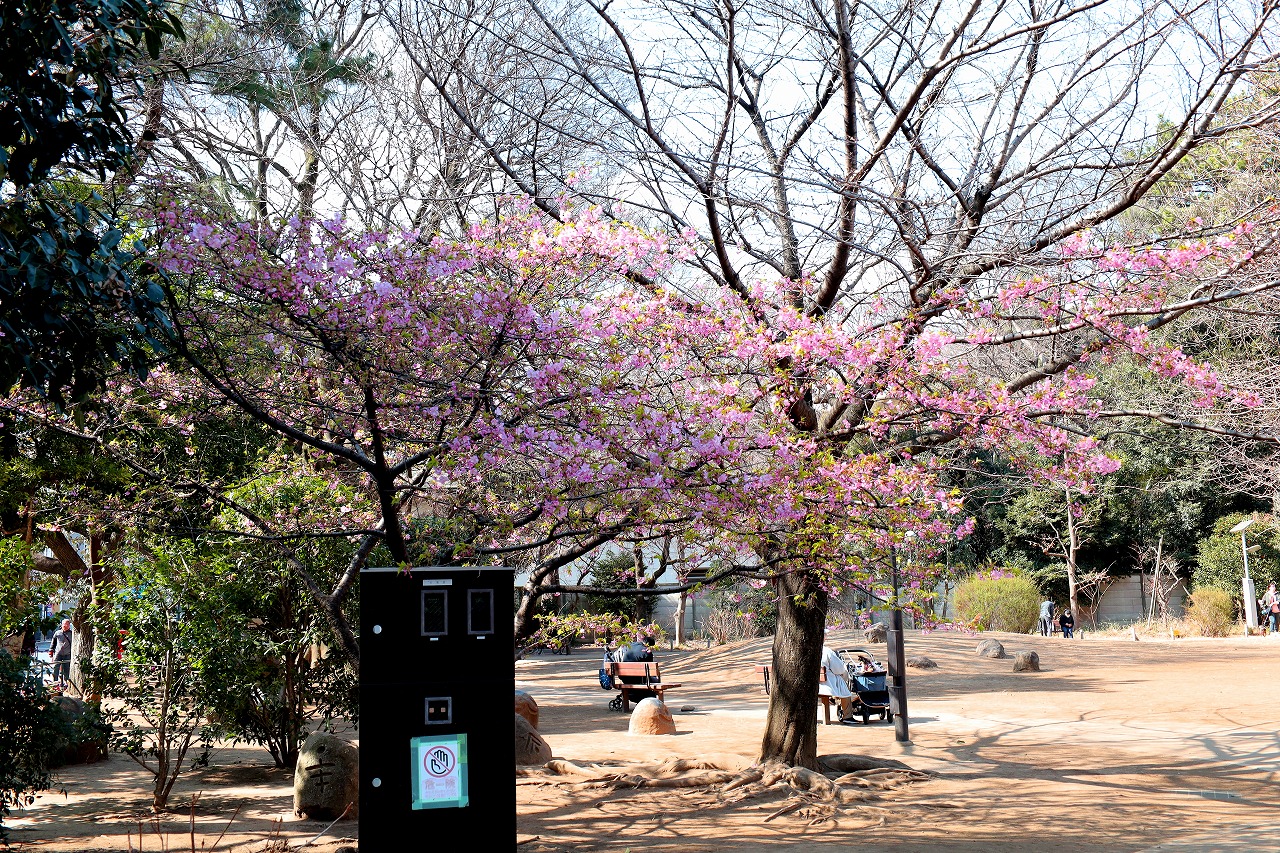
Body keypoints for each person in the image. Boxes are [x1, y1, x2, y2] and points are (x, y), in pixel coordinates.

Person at [820, 646, 857, 725]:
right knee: (843, 683)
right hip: (826, 686)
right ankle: (847, 716)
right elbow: (839, 669)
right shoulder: (827, 651)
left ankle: (833, 698)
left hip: (811, 686)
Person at [49, 618, 73, 691]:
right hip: (58, 654)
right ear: (61, 625)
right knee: (55, 668)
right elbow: (53, 642)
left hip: (67, 654)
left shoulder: (71, 634)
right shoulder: (57, 633)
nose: (65, 626)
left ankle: (66, 683)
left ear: (69, 625)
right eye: (64, 624)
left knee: (66, 669)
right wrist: (51, 650)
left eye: (67, 624)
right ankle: (55, 683)